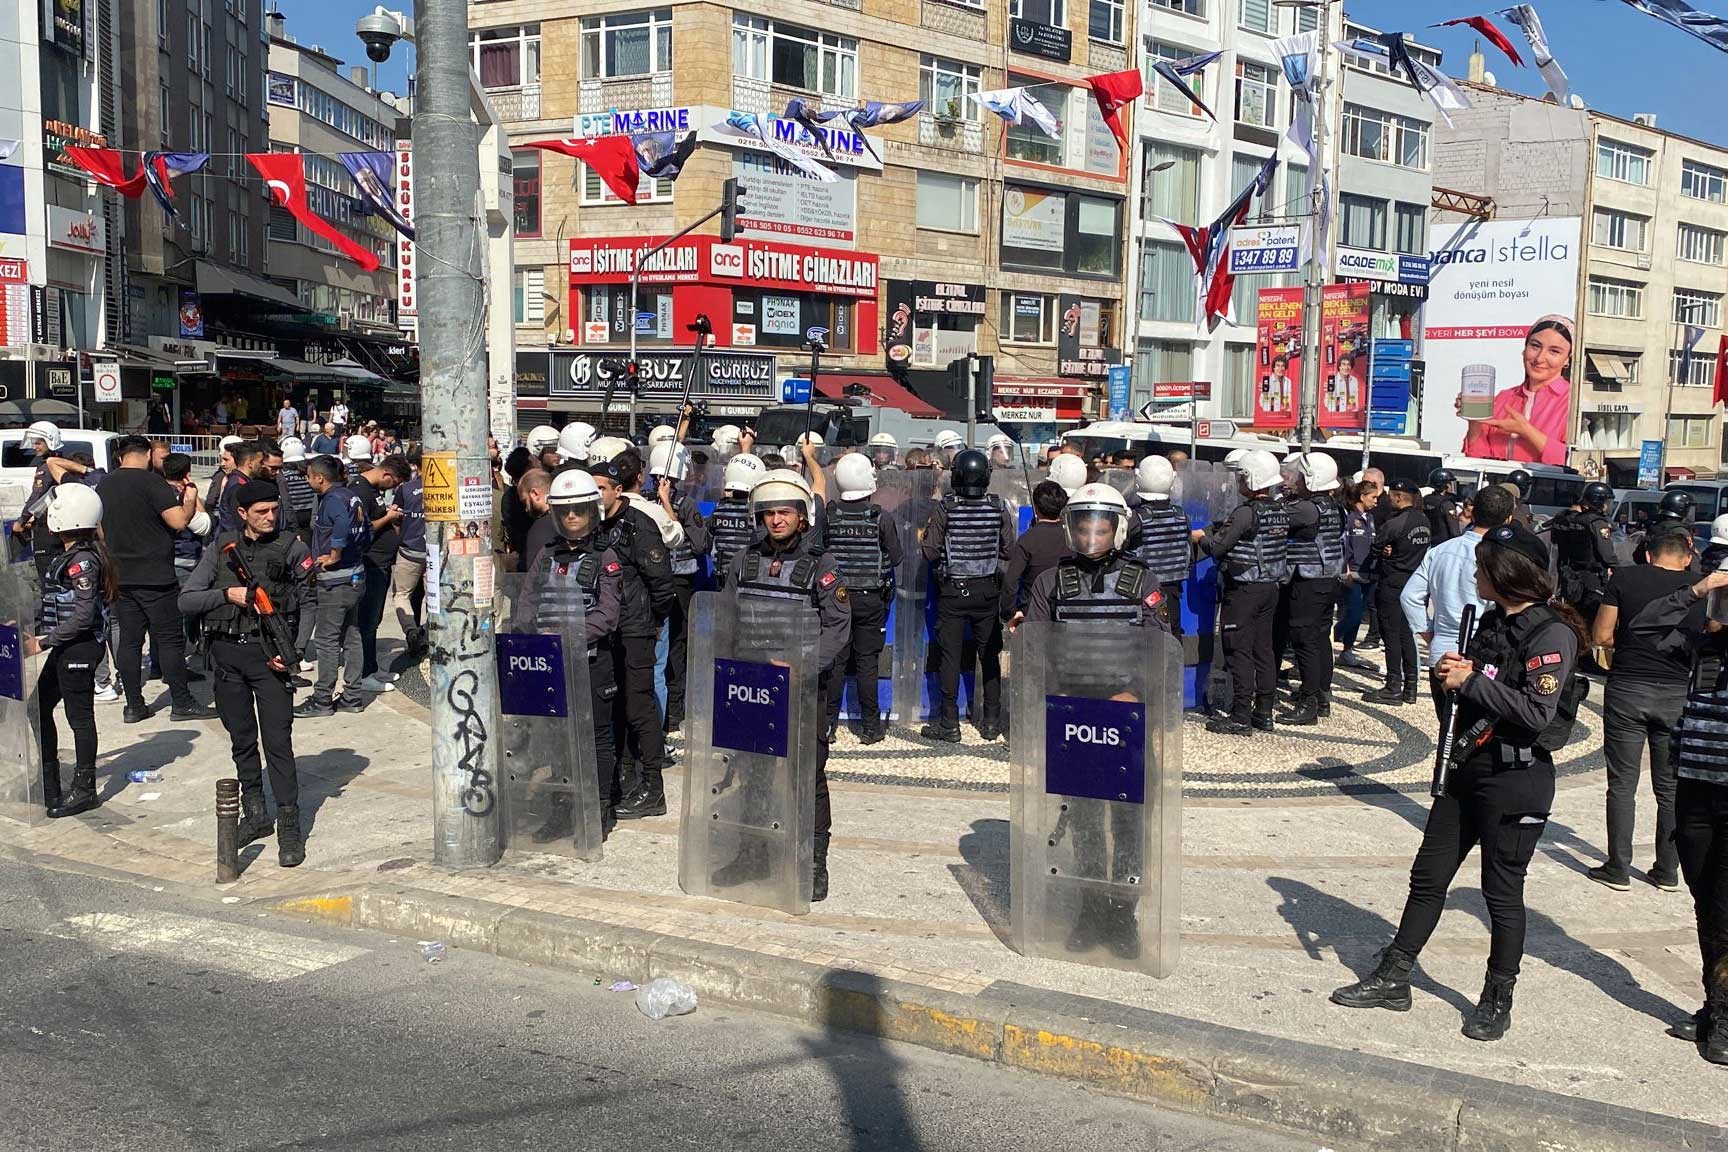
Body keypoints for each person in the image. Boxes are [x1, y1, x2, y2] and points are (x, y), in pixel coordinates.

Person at [1333, 523, 1586, 1042]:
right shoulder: (1489, 620)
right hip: (1468, 767)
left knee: (1501, 892)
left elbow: (1537, 711)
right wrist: (1457, 674)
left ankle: (1497, 996)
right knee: (1427, 877)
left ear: (1506, 571)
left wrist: (1472, 679)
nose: (1474, 572)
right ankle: (1395, 975)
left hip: (1517, 777)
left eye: (1482, 565)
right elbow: (1481, 691)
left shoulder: (1551, 633)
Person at [723, 468, 851, 900]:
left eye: (786, 512)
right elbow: (727, 617)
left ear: (803, 514)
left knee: (807, 777)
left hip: (800, 687)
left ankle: (814, 864)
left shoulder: (823, 564)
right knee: (752, 774)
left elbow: (837, 628)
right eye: (769, 513)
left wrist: (801, 665)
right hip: (751, 686)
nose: (776, 520)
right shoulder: (745, 560)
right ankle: (751, 853)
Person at [1588, 522, 1728, 892]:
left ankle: (1618, 867)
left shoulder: (1624, 579)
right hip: (1676, 693)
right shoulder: (1705, 589)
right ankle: (1667, 869)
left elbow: (1601, 636)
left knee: (1622, 784)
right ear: (1687, 560)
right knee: (1668, 786)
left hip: (1628, 687)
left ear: (1649, 554)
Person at [178, 479, 311, 868]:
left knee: (278, 743)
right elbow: (187, 600)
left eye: (274, 510)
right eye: (261, 512)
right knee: (241, 741)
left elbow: (310, 604)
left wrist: (295, 653)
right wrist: (226, 595)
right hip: (227, 657)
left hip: (270, 657)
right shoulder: (221, 548)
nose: (270, 518)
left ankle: (289, 822)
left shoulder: (292, 548)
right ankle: (255, 813)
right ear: (242, 515)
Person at [523, 467, 624, 839]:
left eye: (578, 510)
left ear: (592, 512)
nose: (571, 517)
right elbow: (528, 601)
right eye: (564, 511)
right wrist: (529, 640)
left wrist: (568, 636)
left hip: (591, 662)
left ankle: (596, 813)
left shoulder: (605, 556)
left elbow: (608, 614)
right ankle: (560, 810)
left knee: (595, 739)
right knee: (556, 742)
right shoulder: (546, 555)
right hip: (549, 663)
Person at [96, 436, 214, 723]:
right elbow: (178, 522)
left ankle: (134, 705)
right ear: (148, 454)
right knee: (170, 641)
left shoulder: (104, 485)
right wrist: (188, 502)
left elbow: (99, 530)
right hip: (156, 576)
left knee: (130, 642)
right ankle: (181, 702)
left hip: (121, 576)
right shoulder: (152, 482)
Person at [591, 456, 676, 820]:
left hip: (637, 629)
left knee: (640, 708)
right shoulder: (594, 525)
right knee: (617, 707)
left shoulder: (638, 526)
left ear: (617, 490)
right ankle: (624, 776)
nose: (595, 496)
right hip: (608, 631)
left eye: (601, 489)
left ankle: (653, 786)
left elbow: (661, 583)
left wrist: (652, 623)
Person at [28, 486, 113, 818]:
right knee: (38, 707)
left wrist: (43, 641)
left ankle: (85, 789)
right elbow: (53, 602)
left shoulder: (82, 562)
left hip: (78, 647)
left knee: (79, 718)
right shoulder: (69, 555)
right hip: (65, 645)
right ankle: (49, 780)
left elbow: (82, 615)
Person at [919, 448, 1014, 743]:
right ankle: (991, 722)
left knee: (950, 655)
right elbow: (1009, 549)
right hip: (988, 590)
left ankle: (949, 723)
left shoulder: (945, 508)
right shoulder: (999, 506)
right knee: (989, 655)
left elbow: (930, 550)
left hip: (952, 592)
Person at [1193, 450, 1288, 735]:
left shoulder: (1246, 512)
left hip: (1244, 590)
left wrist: (1201, 537)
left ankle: (1240, 715)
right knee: (1264, 650)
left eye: (1242, 476)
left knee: (1238, 649)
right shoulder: (1280, 511)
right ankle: (1264, 711)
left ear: (1252, 478)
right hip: (1270, 588)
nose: (1238, 481)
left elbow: (1218, 548)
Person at [1400, 484, 1511, 723]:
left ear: (1472, 511)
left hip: (1443, 649)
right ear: (1508, 519)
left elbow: (1410, 596)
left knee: (1447, 727)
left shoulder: (1440, 551)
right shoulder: (1502, 557)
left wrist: (1429, 632)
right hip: (1485, 651)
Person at [823, 453, 904, 745]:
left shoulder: (828, 516)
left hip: (835, 600)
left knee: (835, 663)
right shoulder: (880, 517)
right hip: (871, 601)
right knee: (867, 664)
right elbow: (896, 557)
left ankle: (827, 725)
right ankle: (870, 727)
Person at [295, 455, 370, 717]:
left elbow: (342, 523)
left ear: (320, 478)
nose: (307, 480)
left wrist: (335, 553)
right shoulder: (352, 496)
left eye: (308, 476)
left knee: (326, 641)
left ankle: (322, 698)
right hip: (355, 576)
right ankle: (353, 696)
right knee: (351, 636)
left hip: (335, 580)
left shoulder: (333, 500)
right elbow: (365, 530)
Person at [647, 440, 711, 735]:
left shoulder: (647, 500)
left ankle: (669, 711)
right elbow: (700, 544)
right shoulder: (681, 503)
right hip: (674, 580)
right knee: (674, 646)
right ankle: (672, 712)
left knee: (667, 646)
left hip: (666, 581)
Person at [1279, 453, 1347, 725]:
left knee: (1304, 640)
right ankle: (1321, 696)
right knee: (1320, 639)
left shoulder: (1307, 509)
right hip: (1328, 580)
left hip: (1308, 581)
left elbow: (1275, 516)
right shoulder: (1335, 507)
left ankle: (1307, 703)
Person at [1460, 316, 1574, 465]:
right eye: (1535, 346)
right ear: (1524, 349)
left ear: (1567, 359)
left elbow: (1574, 462)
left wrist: (1526, 431)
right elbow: (1478, 460)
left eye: (1554, 351)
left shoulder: (1573, 403)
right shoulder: (1504, 398)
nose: (1539, 358)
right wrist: (1474, 420)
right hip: (1499, 487)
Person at [1364, 479, 1433, 706]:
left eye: (1391, 496)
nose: (1388, 499)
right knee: (1407, 636)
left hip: (1393, 584)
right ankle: (1411, 687)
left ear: (1398, 497)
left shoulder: (1396, 523)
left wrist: (1386, 553)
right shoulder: (1424, 521)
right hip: (1414, 586)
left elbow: (1375, 548)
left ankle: (1393, 686)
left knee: (1391, 637)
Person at [352, 455, 409, 692]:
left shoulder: (372, 490)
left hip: (382, 563)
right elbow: (363, 528)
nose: (393, 488)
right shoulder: (360, 492)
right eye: (394, 483)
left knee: (373, 620)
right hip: (370, 562)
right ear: (386, 474)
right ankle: (364, 674)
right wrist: (389, 517)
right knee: (367, 621)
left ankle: (373, 667)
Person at [1122, 456, 1189, 636]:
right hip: (1172, 590)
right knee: (1172, 635)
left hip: (1140, 589)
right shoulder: (1181, 515)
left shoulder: (1136, 519)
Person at [1002, 481, 1073, 631]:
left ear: (1036, 506)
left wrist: (1009, 613)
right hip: (1068, 608)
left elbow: (1011, 581)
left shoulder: (1027, 540)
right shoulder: (1072, 538)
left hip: (1033, 612)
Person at [1552, 481, 1617, 639]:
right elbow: (1607, 554)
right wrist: (1618, 569)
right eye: (1607, 502)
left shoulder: (1572, 520)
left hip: (1572, 577)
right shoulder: (1597, 523)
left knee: (1574, 618)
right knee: (1593, 621)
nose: (1609, 506)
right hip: (1593, 579)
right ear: (1598, 502)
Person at [392, 449, 428, 659]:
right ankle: (430, 634)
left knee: (402, 595)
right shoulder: (445, 489)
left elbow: (395, 517)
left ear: (414, 465)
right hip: (434, 552)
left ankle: (411, 631)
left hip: (409, 551)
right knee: (434, 598)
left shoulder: (405, 489)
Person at [1424, 469, 1463, 544]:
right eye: (1449, 483)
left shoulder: (1425, 500)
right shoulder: (1447, 504)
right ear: (1445, 485)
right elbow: (1454, 531)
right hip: (1443, 544)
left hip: (1427, 542)